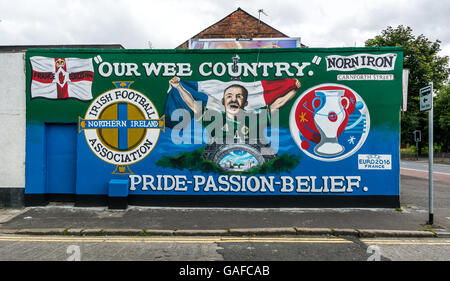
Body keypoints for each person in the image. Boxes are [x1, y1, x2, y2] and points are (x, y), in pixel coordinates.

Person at [169, 76, 300, 145]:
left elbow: (277, 104)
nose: (234, 100)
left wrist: (294, 89)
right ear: (223, 101)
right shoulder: (213, 118)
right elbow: (192, 104)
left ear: (246, 103)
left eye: (239, 96)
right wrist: (178, 87)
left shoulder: (254, 118)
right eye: (229, 96)